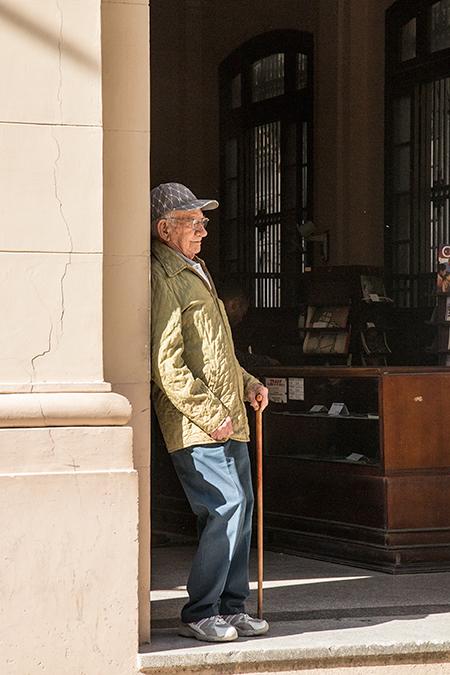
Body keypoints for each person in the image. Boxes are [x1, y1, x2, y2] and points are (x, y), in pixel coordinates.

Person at [150, 182, 269, 643]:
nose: (202, 229)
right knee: (228, 506)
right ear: (165, 229)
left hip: (227, 416)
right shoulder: (163, 277)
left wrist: (249, 383)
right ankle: (200, 611)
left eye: (203, 221)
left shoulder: (196, 270)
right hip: (199, 423)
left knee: (243, 507)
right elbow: (167, 363)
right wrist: (208, 414)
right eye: (192, 221)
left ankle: (230, 607)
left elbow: (218, 351)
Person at [216, 279, 281, 372]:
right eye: (242, 313)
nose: (241, 319)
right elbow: (235, 358)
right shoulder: (216, 326)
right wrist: (266, 361)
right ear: (236, 305)